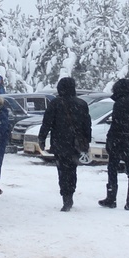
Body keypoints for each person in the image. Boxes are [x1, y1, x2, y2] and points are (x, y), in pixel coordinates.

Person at [37, 76, 91, 211]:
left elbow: (47, 123)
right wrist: (86, 141)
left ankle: (65, 196)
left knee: (62, 170)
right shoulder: (82, 104)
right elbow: (87, 125)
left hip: (60, 142)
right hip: (75, 143)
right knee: (72, 169)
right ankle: (70, 193)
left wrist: (42, 138)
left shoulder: (55, 103)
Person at [98, 78, 129, 211]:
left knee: (112, 170)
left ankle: (111, 198)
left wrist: (110, 140)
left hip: (118, 142)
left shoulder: (119, 104)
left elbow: (116, 125)